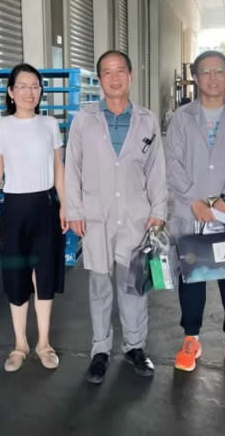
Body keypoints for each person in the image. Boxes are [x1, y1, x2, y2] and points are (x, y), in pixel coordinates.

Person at [65, 50, 167, 384]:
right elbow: (72, 167)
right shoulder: (84, 120)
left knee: (134, 284)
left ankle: (135, 346)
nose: (114, 78)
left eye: (120, 70)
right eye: (107, 72)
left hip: (136, 214)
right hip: (96, 214)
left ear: (130, 76)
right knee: (99, 285)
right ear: (99, 80)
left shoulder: (147, 120)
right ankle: (100, 350)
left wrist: (158, 210)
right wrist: (74, 210)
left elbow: (156, 169)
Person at [165, 50, 225, 376]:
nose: (213, 78)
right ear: (195, 77)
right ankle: (191, 338)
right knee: (192, 279)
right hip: (191, 213)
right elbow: (173, 162)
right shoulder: (181, 118)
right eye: (206, 72)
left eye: (219, 71)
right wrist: (194, 200)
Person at [0, 63, 68, 372]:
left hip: (45, 206)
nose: (29, 92)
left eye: (34, 86)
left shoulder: (50, 124)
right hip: (14, 209)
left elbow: (58, 167)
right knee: (16, 275)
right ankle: (20, 344)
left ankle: (43, 343)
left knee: (44, 275)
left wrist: (65, 204)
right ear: (11, 91)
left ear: (41, 90)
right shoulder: (0, 127)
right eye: (22, 86)